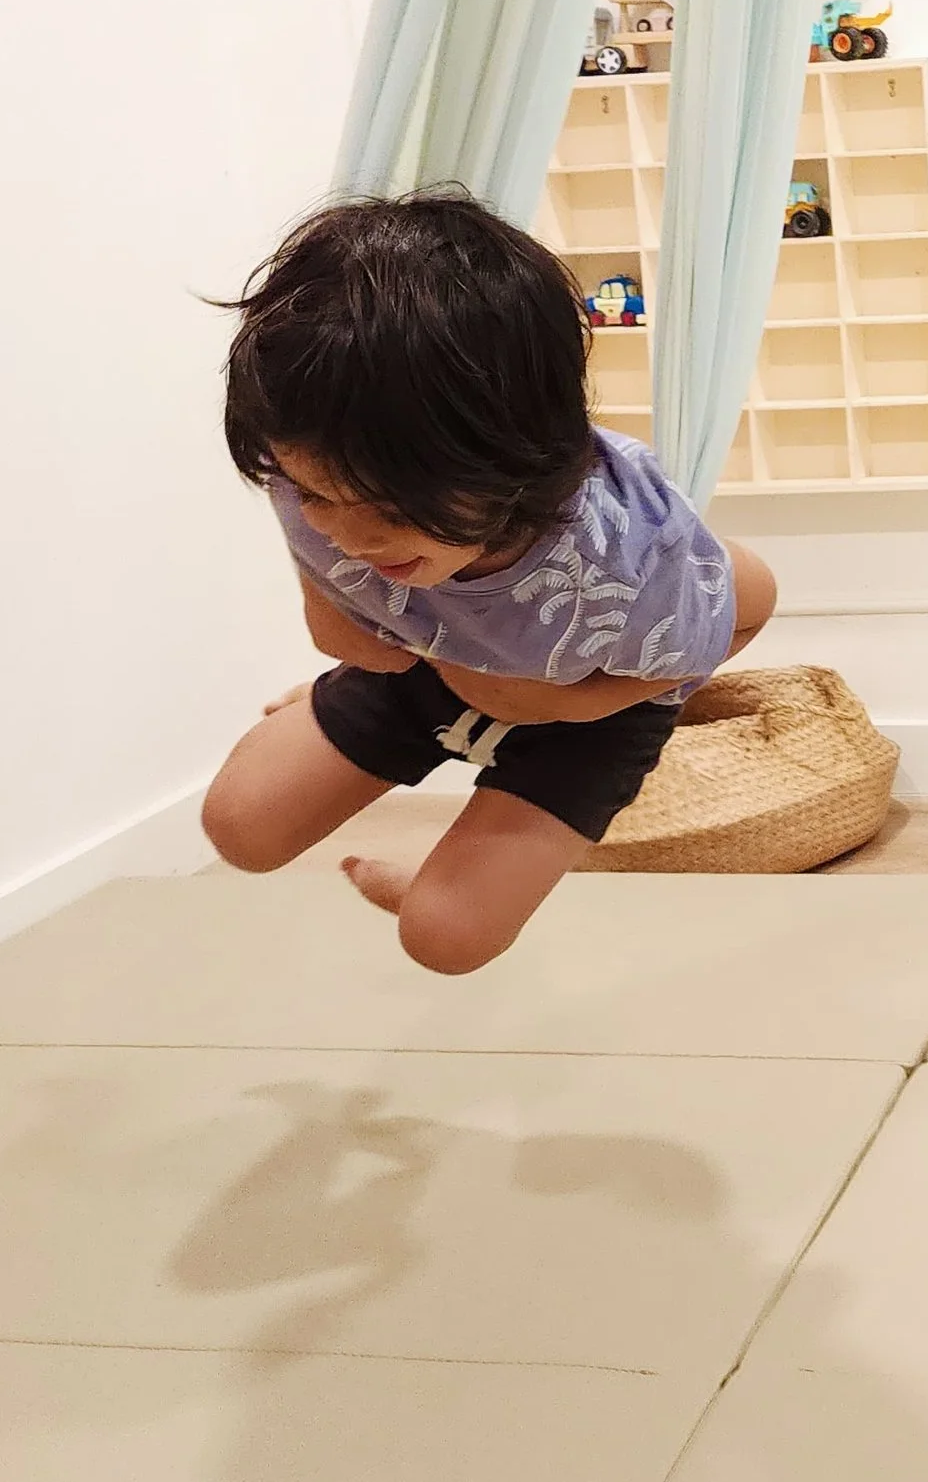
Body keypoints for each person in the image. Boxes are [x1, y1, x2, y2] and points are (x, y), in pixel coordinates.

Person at [203, 190, 773, 972]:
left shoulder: (626, 563)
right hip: (430, 653)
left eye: (390, 508)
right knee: (239, 827)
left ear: (514, 463)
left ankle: (445, 879)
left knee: (444, 937)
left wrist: (573, 702)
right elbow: (321, 551)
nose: (350, 537)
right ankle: (336, 704)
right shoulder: (306, 467)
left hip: (586, 705)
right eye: (319, 497)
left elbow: (752, 603)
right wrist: (339, 623)